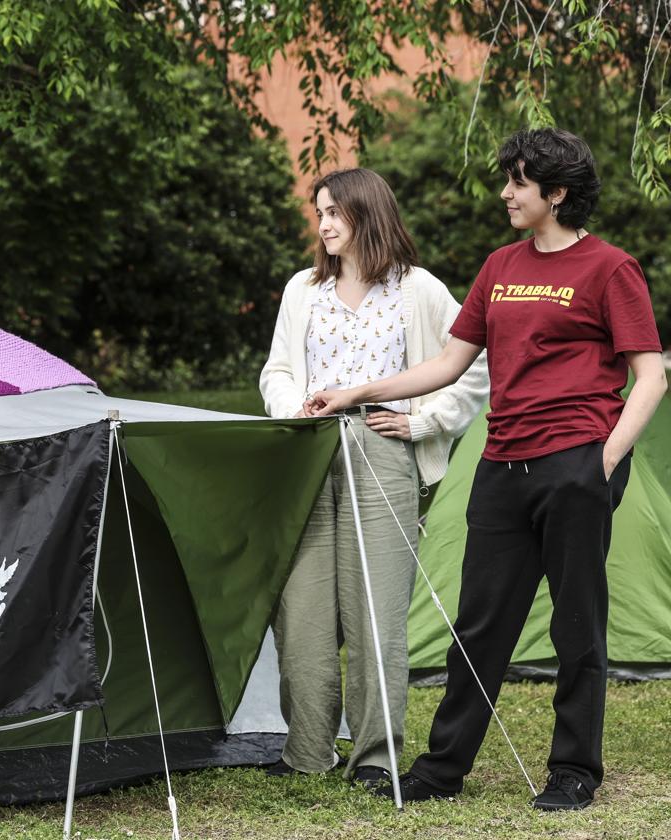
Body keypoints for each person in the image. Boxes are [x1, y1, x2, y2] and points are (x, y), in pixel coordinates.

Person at [308, 128, 666, 811]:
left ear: (556, 194)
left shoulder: (609, 269)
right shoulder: (500, 266)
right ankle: (444, 768)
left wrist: (604, 460)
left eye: (519, 182)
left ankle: (574, 770)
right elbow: (450, 364)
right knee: (479, 624)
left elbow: (649, 377)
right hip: (502, 463)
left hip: (577, 461)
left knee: (575, 624)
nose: (506, 192)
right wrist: (357, 391)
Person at [260, 168, 488, 789]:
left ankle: (374, 759)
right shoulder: (302, 290)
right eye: (320, 213)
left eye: (335, 211)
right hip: (307, 453)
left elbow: (471, 368)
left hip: (382, 452)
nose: (324, 224)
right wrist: (292, 409)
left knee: (375, 616)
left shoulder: (419, 291)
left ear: (368, 214)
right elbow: (276, 370)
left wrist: (422, 423)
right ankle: (307, 752)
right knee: (301, 612)